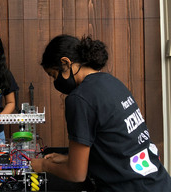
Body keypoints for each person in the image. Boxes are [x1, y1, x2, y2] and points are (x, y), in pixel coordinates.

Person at [31, 34, 171, 191]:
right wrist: (69, 159)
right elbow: (116, 144)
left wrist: (44, 165)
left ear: (66, 62)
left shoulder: (80, 98)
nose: (55, 82)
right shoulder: (111, 82)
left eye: (54, 75)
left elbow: (76, 174)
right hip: (158, 182)